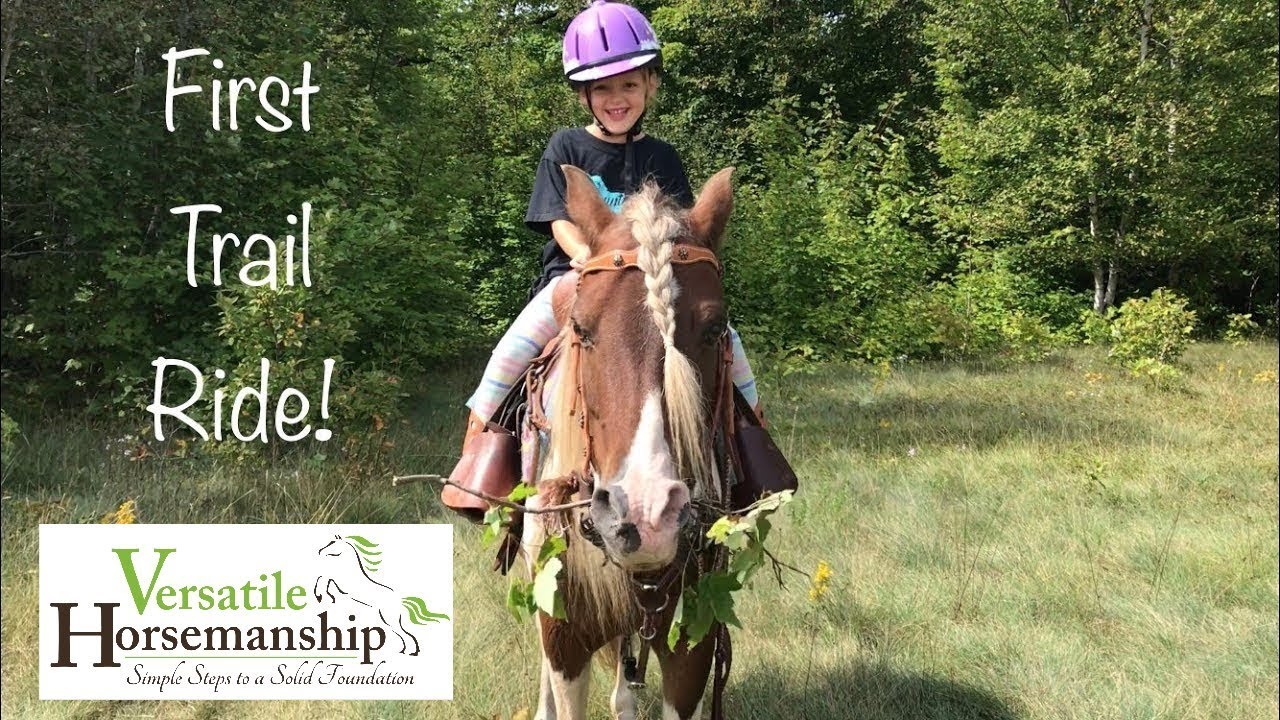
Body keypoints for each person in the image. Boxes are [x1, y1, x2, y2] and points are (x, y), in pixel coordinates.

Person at [442, 0, 762, 518]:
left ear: (651, 85)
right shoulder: (566, 147)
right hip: (578, 277)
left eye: (629, 85)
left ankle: (750, 434)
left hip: (652, 285)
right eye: (604, 89)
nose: (618, 99)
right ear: (584, 94)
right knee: (516, 345)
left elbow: (681, 232)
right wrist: (590, 259)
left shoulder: (662, 157)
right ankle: (484, 439)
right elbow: (558, 219)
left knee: (724, 339)